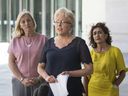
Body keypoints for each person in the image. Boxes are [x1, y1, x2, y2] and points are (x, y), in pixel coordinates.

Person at [37, 7, 93, 96]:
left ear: (71, 25)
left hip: (73, 90)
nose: (59, 25)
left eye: (63, 22)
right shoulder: (49, 43)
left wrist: (69, 73)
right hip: (51, 91)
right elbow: (40, 67)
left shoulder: (79, 43)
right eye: (56, 21)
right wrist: (47, 77)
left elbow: (89, 70)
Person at [8, 10, 47, 96]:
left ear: (33, 22)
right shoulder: (15, 41)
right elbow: (11, 62)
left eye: (29, 20)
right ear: (20, 25)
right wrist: (22, 79)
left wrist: (39, 79)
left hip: (39, 81)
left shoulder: (44, 39)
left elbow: (48, 61)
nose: (26, 23)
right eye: (23, 22)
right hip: (19, 82)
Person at [88, 22, 126, 96]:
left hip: (110, 91)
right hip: (92, 90)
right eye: (94, 33)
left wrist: (115, 85)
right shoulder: (91, 53)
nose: (97, 35)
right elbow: (86, 76)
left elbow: (123, 72)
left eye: (100, 32)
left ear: (106, 35)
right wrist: (85, 93)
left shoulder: (115, 51)